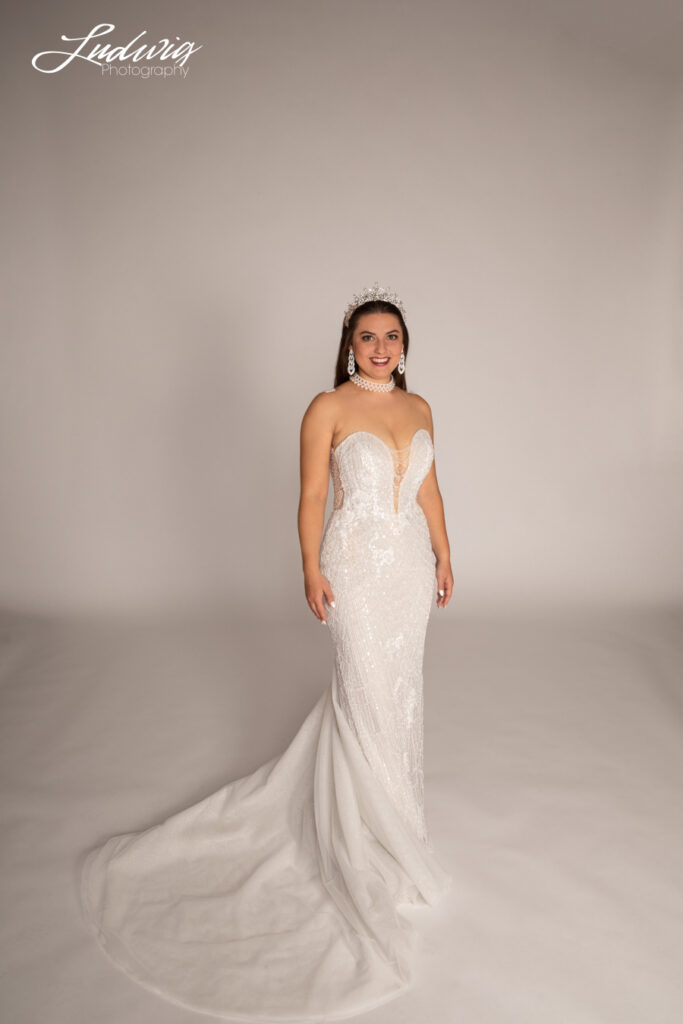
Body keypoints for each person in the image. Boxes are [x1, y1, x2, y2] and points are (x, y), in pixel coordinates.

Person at [79, 282, 454, 1022]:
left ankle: (396, 828)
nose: (380, 347)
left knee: (401, 689)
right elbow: (312, 495)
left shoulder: (419, 408)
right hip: (354, 564)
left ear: (404, 346)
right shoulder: (327, 407)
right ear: (351, 345)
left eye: (391, 337)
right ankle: (362, 842)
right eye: (368, 337)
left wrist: (444, 552)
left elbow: (429, 488)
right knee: (363, 689)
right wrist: (309, 565)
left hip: (408, 567)